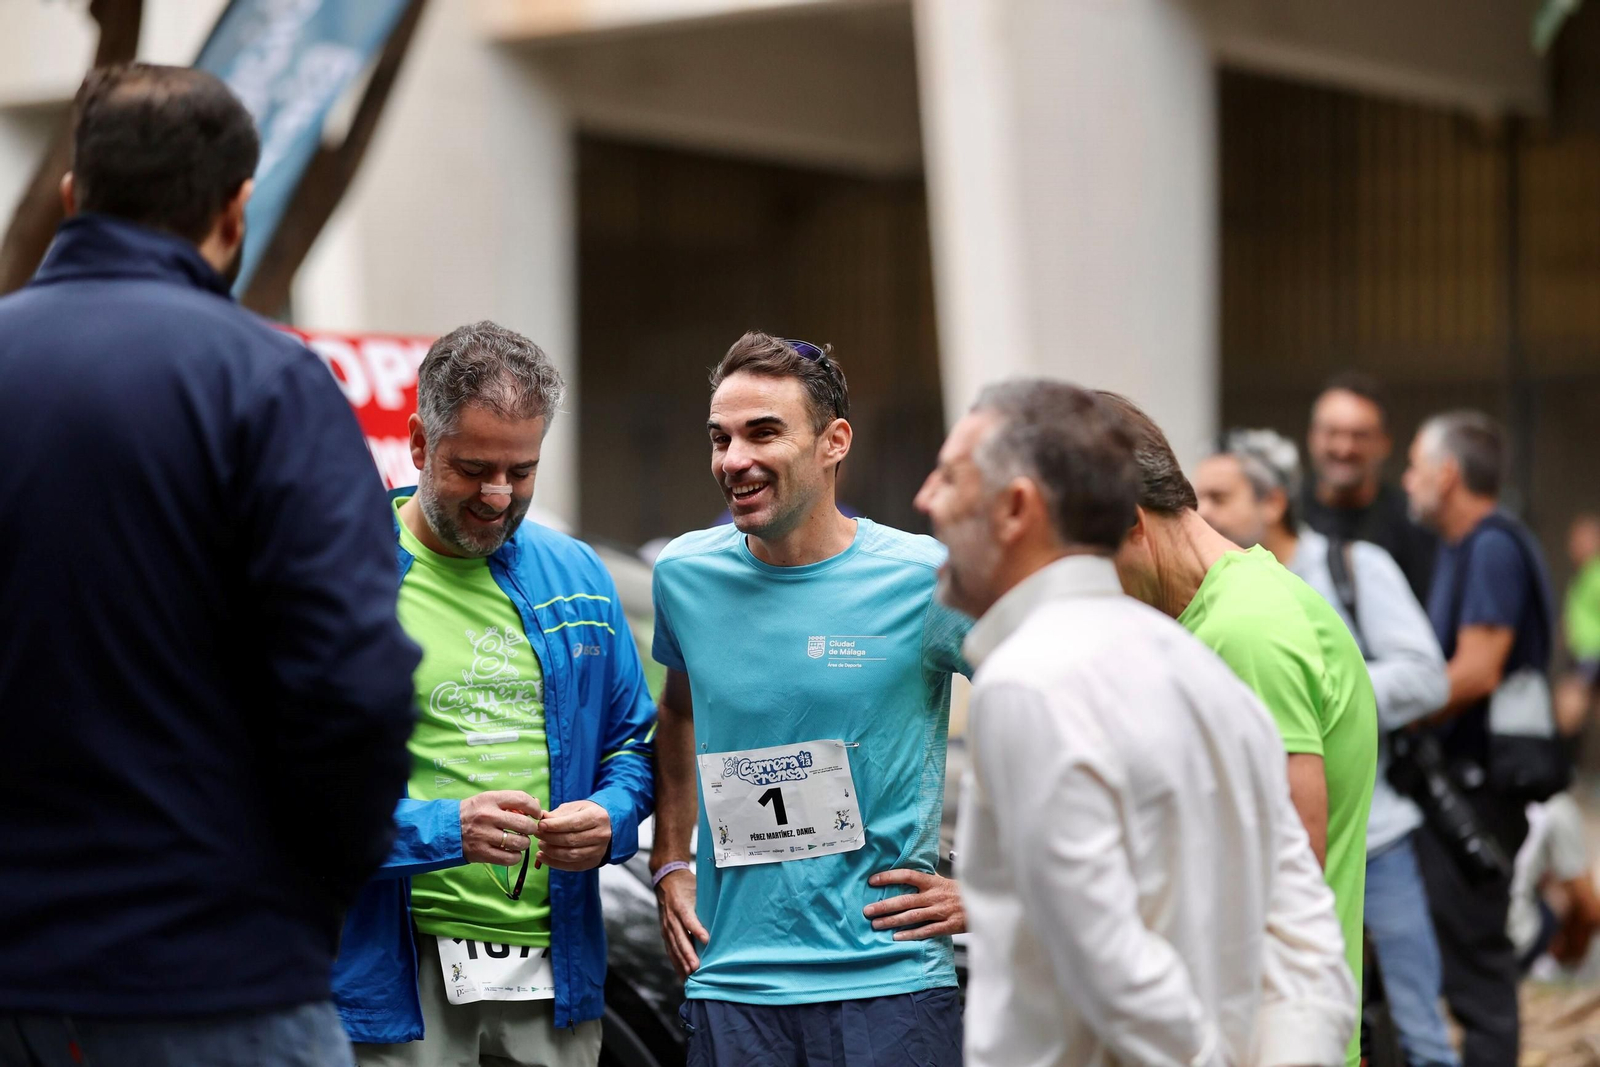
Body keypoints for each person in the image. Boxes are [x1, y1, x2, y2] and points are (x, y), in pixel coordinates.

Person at [0, 65, 420, 1064]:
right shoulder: (266, 383)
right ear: (235, 208)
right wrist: (310, 885)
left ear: (72, 192)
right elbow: (356, 684)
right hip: (210, 975)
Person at [917, 380, 1355, 1067]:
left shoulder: (1030, 682)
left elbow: (1113, 967)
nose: (925, 500)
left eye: (948, 476)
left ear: (1016, 507)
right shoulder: (1200, 666)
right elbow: (1306, 937)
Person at [334, 322, 657, 1067]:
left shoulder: (576, 571)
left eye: (521, 470)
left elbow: (631, 746)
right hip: (394, 974)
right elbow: (291, 786)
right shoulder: (342, 575)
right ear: (419, 445)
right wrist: (445, 828)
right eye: (473, 467)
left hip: (555, 975)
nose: (498, 495)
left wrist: (608, 817)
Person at [650, 333, 971, 1067]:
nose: (735, 460)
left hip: (888, 984)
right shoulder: (684, 574)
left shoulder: (926, 579)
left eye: (763, 432)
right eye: (720, 438)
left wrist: (994, 885)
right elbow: (680, 708)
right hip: (732, 983)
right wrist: (670, 858)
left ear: (834, 442)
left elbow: (1043, 715)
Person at [1099, 392, 1376, 1067]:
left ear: (1133, 523)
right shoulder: (1216, 614)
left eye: (1080, 558)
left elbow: (1285, 872)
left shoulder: (1243, 629)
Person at [1196, 430, 1458, 1067]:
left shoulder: (1352, 567)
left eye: (1219, 495)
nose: (1201, 509)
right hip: (1290, 845)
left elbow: (1428, 675)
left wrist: (1316, 687)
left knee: (1416, 1024)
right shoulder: (1210, 597)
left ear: (1274, 502)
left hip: (1379, 833)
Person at [1402, 410, 1559, 1067]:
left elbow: (1475, 669)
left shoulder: (1491, 545)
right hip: (1467, 784)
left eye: (1413, 467)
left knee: (1479, 978)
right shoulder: (1464, 547)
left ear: (1446, 474)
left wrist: (1387, 707)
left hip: (1477, 792)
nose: (1405, 482)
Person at [1301, 373, 1438, 602]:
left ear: (1385, 443)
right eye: (1332, 433)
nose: (1345, 448)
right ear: (1312, 437)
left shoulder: (1414, 522)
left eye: (1360, 435)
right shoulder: (1282, 515)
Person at [1507, 793, 1600, 976]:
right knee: (1564, 894)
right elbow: (1589, 909)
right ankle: (1554, 969)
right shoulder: (1556, 806)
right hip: (1514, 940)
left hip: (1458, 929)